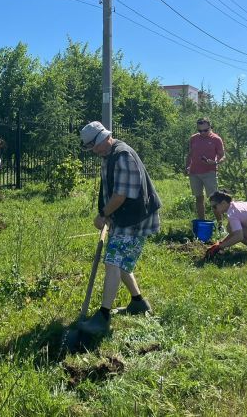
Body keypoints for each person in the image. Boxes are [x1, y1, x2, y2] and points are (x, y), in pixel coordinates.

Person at [77, 122, 162, 336]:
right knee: (122, 264)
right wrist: (105, 213)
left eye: (94, 145)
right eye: (90, 147)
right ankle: (138, 303)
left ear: (105, 137)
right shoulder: (109, 155)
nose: (94, 151)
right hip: (125, 215)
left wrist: (103, 214)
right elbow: (109, 190)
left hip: (136, 218)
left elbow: (121, 195)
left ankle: (103, 318)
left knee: (112, 262)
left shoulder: (122, 155)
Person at [186, 117, 225, 222]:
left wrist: (216, 162)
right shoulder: (193, 138)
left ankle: (220, 224)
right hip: (194, 173)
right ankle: (202, 222)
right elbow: (190, 154)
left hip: (210, 172)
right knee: (199, 198)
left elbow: (222, 156)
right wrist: (187, 166)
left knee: (214, 199)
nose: (202, 132)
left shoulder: (216, 139)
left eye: (205, 130)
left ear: (210, 127)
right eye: (200, 130)